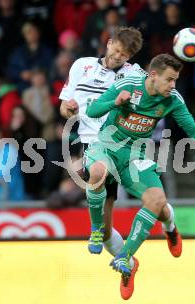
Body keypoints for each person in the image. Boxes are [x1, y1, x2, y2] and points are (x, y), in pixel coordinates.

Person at [85, 54, 195, 294]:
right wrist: (114, 103)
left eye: (175, 80)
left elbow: (191, 127)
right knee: (98, 172)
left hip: (136, 155)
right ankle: (96, 231)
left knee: (158, 201)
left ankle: (135, 251)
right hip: (107, 147)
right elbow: (92, 110)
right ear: (153, 75)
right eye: (170, 80)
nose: (173, 85)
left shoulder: (172, 99)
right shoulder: (127, 85)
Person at [58, 26, 145, 300]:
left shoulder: (133, 74)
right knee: (108, 231)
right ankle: (128, 263)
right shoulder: (81, 66)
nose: (119, 56)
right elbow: (63, 107)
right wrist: (68, 109)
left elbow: (146, 101)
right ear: (108, 44)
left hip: (118, 144)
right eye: (116, 50)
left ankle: (98, 230)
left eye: (125, 54)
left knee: (97, 177)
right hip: (89, 143)